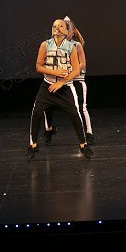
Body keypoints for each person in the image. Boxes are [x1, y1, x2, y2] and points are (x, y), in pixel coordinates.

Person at [26, 18, 93, 160]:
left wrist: (61, 82)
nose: (57, 28)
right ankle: (33, 145)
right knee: (37, 112)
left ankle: (83, 144)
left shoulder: (71, 46)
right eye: (54, 26)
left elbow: (76, 70)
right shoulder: (45, 45)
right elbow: (38, 66)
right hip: (48, 85)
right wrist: (54, 72)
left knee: (75, 114)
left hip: (65, 87)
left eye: (60, 26)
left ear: (67, 31)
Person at [43, 16, 94, 145]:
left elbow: (81, 64)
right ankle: (48, 129)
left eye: (67, 30)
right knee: (46, 105)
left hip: (76, 80)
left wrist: (71, 69)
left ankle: (88, 133)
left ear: (72, 32)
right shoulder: (55, 45)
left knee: (81, 107)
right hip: (61, 80)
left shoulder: (76, 45)